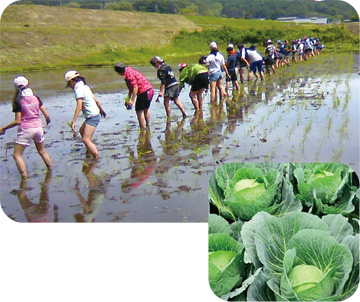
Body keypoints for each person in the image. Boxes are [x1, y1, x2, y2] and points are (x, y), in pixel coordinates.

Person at [0, 75, 52, 178]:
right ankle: (50, 171)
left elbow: (17, 121)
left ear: (16, 87)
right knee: (42, 151)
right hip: (38, 128)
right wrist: (46, 121)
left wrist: (4, 128)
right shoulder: (35, 97)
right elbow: (47, 115)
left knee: (17, 155)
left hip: (26, 130)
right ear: (28, 84)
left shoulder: (18, 101)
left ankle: (24, 178)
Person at [65, 70, 106, 159]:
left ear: (71, 81)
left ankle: (96, 158)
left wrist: (74, 121)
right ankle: (89, 151)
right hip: (94, 114)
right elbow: (96, 100)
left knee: (85, 139)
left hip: (92, 116)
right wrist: (101, 110)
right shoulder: (85, 87)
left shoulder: (78, 89)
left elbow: (79, 106)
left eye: (69, 84)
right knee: (82, 131)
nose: (70, 87)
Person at [114, 62, 154, 130]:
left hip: (143, 91)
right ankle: (147, 126)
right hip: (150, 90)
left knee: (139, 110)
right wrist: (127, 99)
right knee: (146, 109)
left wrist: (132, 100)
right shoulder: (129, 69)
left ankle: (142, 128)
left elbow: (135, 87)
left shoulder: (128, 75)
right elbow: (130, 89)